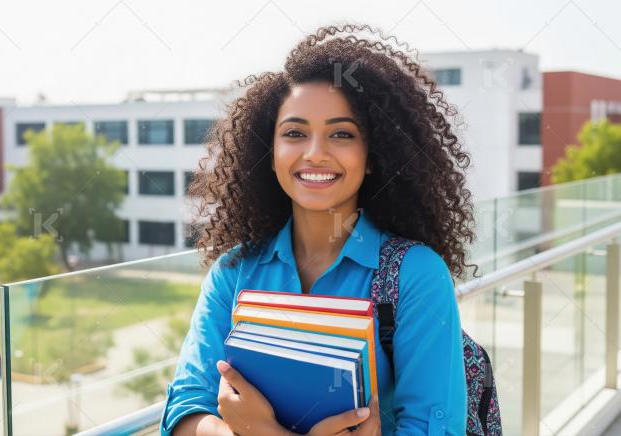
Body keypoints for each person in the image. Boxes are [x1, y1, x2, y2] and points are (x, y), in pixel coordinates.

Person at [161, 22, 474, 436]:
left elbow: (438, 428)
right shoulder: (233, 272)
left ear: (373, 155)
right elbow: (184, 411)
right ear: (270, 154)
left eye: (341, 134)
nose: (315, 153)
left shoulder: (415, 275)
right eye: (294, 133)